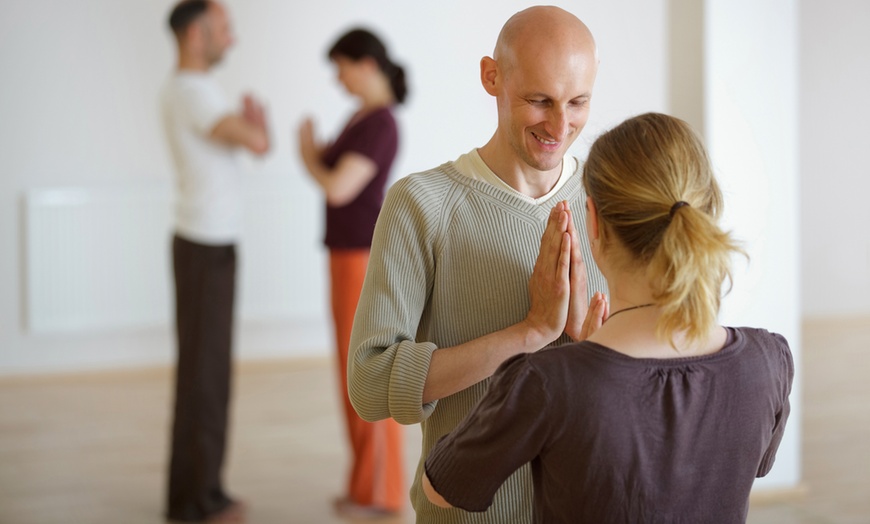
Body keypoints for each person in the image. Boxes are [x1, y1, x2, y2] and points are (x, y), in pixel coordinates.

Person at [421, 113, 795, 523]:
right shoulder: (769, 359)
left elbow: (440, 488)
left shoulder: (548, 382)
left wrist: (570, 361)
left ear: (593, 221)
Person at [347, 6, 608, 522]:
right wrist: (528, 333)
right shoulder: (421, 205)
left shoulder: (612, 201)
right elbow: (371, 383)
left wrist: (589, 348)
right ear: (492, 76)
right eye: (540, 101)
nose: (561, 125)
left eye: (578, 102)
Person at [161, 1, 269, 522]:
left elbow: (249, 142)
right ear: (195, 33)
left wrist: (253, 129)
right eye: (224, 29)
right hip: (204, 246)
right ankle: (194, 502)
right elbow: (254, 140)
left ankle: (202, 493)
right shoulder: (191, 90)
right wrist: (257, 124)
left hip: (208, 243)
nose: (232, 38)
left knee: (208, 375)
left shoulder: (194, 89)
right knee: (204, 378)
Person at [297, 28, 408, 518]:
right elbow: (334, 174)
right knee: (351, 372)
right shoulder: (362, 117)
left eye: (340, 66)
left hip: (363, 259)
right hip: (345, 257)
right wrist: (314, 154)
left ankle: (383, 490)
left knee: (367, 371)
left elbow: (339, 188)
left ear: (366, 64)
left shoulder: (382, 124)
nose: (337, 78)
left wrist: (306, 155)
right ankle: (364, 486)